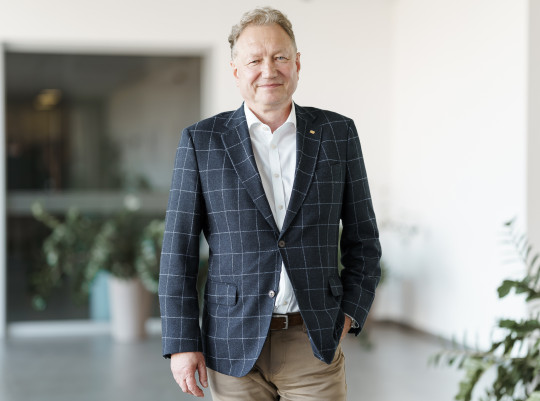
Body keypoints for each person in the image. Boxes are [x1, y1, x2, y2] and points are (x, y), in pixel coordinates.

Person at [159, 6, 381, 400]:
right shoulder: (202, 141)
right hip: (231, 343)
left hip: (313, 340)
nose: (269, 70)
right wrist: (181, 343)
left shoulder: (338, 133)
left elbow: (363, 238)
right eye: (255, 60)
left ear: (297, 63)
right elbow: (179, 250)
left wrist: (350, 312)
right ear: (235, 71)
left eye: (280, 57)